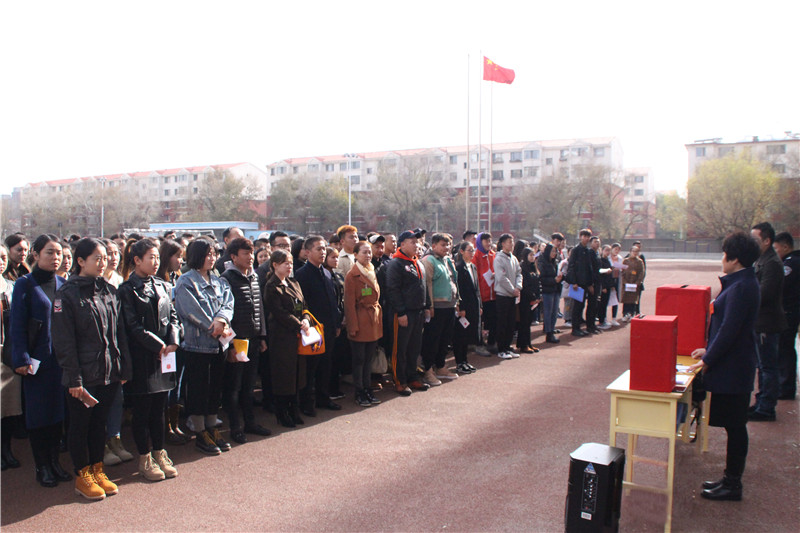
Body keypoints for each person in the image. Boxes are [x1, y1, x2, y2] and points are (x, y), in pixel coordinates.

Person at [53, 237, 131, 500]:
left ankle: (98, 468)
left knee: (101, 424)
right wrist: (74, 378)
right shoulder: (67, 294)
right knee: (80, 426)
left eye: (105, 258)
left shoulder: (109, 291)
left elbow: (118, 334)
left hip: (108, 371)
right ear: (80, 261)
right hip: (82, 376)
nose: (103, 263)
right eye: (96, 258)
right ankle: (82, 474)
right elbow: (64, 341)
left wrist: (123, 368)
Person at [688, 231, 761, 501]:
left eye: (724, 254)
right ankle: (730, 479)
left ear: (734, 259)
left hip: (734, 367)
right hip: (733, 364)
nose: (722, 258)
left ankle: (733, 483)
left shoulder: (742, 287)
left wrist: (709, 359)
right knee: (734, 425)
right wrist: (709, 351)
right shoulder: (741, 283)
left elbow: (729, 331)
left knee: (735, 425)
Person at [118, 239, 181, 481]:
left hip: (164, 357)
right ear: (136, 260)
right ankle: (144, 457)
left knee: (159, 409)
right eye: (150, 258)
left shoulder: (163, 285)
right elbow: (132, 326)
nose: (155, 262)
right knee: (142, 411)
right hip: (142, 357)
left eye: (157, 257)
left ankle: (159, 452)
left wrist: (174, 340)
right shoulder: (126, 290)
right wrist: (160, 345)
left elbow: (173, 316)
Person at [10, 235, 70, 488]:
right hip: (36, 361)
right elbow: (17, 325)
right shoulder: (25, 284)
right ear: (35, 254)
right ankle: (42, 465)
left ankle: (55, 462)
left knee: (58, 415)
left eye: (58, 253)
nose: (55, 258)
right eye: (49, 252)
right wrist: (21, 358)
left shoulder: (63, 283)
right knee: (38, 416)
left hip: (62, 361)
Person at [174, 238, 234, 455]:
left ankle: (212, 426)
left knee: (215, 387)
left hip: (219, 345)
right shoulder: (186, 281)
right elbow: (189, 310)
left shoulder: (219, 280)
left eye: (214, 254)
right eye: (208, 254)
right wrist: (214, 325)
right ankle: (199, 431)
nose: (212, 258)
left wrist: (223, 320)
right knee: (198, 388)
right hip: (197, 345)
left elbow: (228, 302)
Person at [219, 238, 271, 443]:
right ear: (233, 256)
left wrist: (262, 336)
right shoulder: (226, 278)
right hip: (237, 340)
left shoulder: (255, 277)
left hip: (254, 338)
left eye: (252, 253)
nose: (250, 257)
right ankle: (235, 426)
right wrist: (230, 345)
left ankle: (250, 422)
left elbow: (260, 308)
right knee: (234, 386)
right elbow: (224, 314)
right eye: (245, 254)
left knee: (249, 385)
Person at [262, 250, 311, 428]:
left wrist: (306, 319)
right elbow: (279, 313)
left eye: (290, 263)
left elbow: (304, 305)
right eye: (285, 263)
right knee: (284, 375)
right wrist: (298, 324)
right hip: (282, 337)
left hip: (298, 335)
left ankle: (294, 409)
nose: (289, 266)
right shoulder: (271, 286)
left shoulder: (293, 282)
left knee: (298, 373)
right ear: (275, 265)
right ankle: (282, 412)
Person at [294, 236, 342, 415]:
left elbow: (333, 301)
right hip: (312, 329)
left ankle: (323, 397)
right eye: (318, 249)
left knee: (326, 365)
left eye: (324, 249)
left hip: (328, 327)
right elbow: (301, 304)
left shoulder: (328, 273)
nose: (323, 252)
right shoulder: (301, 274)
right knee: (310, 367)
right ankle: (306, 402)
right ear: (307, 252)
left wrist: (336, 323)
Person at [748, 222, 787, 422]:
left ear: (766, 240)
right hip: (762, 322)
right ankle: (761, 402)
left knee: (767, 367)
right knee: (763, 367)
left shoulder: (771, 262)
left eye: (755, 240)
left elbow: (764, 294)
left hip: (767, 323)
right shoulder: (762, 259)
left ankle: (766, 407)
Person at [101, 238, 133, 466]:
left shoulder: (122, 282)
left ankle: (115, 439)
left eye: (115, 253)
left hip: (117, 347)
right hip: (96, 352)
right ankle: (101, 443)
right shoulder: (88, 284)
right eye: (107, 254)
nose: (113, 258)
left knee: (116, 398)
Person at [385, 230, 429, 395]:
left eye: (417, 242)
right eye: (412, 242)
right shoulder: (396, 264)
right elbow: (392, 290)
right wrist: (401, 312)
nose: (416, 244)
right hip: (403, 313)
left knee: (413, 348)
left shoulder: (417, 262)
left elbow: (424, 287)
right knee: (400, 349)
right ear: (402, 244)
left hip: (418, 312)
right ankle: (400, 380)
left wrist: (427, 306)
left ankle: (412, 377)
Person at [344, 241, 383, 407]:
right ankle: (359, 391)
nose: (368, 255)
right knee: (359, 359)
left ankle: (367, 388)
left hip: (372, 319)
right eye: (364, 253)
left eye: (369, 252)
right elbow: (349, 304)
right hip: (360, 320)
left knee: (368, 358)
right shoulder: (352, 276)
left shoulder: (372, 271)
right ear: (355, 255)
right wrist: (352, 326)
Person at [421, 233, 461, 385]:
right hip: (436, 307)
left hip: (449, 306)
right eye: (443, 245)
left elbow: (453, 281)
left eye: (448, 244)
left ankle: (441, 366)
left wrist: (457, 301)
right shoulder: (428, 260)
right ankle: (428, 370)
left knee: (445, 339)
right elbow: (428, 284)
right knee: (432, 340)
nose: (447, 247)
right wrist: (429, 305)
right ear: (434, 246)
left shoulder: (447, 260)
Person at [1, 245, 23, 471]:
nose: (1, 261)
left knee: (9, 407)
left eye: (3, 257)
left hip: (8, 352)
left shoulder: (12, 287)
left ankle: (6, 449)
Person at [774, 232, 799, 400]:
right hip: (789, 311)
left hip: (788, 312)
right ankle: (785, 385)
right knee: (784, 349)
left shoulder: (791, 264)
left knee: (784, 349)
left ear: (785, 247)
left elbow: (781, 285)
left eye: (776, 249)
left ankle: (786, 386)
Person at [494, 234, 523, 359]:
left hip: (512, 295)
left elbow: (519, 273)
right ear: (502, 244)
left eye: (512, 242)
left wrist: (518, 287)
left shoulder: (514, 258)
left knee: (511, 323)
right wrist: (512, 290)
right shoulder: (498, 259)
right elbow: (501, 278)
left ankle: (507, 347)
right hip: (503, 295)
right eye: (509, 242)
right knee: (502, 323)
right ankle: (501, 349)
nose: (512, 244)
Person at [454, 242, 481, 372]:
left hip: (473, 306)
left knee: (468, 335)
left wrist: (479, 305)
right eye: (469, 250)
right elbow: (459, 290)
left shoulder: (473, 267)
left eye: (473, 250)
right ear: (462, 252)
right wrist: (461, 307)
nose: (472, 253)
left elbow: (477, 289)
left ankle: (465, 361)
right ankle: (459, 362)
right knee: (460, 336)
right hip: (464, 307)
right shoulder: (458, 268)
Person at [473, 232, 497, 351]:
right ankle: (479, 344)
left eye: (490, 241)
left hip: (494, 294)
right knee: (481, 322)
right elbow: (474, 276)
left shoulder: (493, 255)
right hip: (482, 295)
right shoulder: (475, 256)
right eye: (486, 241)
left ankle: (491, 343)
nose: (489, 244)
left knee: (493, 320)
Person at [538, 243, 562, 344]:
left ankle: (552, 330)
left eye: (555, 251)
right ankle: (548, 332)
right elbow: (541, 278)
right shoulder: (542, 262)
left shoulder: (555, 262)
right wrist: (554, 280)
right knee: (548, 312)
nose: (554, 253)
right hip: (547, 290)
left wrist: (561, 277)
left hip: (555, 289)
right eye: (552, 251)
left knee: (554, 312)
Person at [518, 247, 541, 353]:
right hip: (525, 300)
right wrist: (532, 297)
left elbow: (537, 282)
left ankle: (529, 343)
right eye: (530, 255)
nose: (532, 257)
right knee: (524, 323)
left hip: (534, 300)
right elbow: (525, 285)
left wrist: (538, 296)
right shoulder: (522, 267)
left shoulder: (534, 267)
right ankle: (523, 345)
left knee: (529, 323)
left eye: (533, 255)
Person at [621, 245, 645, 320]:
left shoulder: (639, 262)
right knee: (626, 299)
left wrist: (637, 282)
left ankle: (632, 313)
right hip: (626, 283)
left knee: (633, 299)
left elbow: (642, 273)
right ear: (630, 252)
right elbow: (622, 272)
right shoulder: (626, 261)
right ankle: (625, 313)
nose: (635, 253)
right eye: (633, 251)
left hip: (635, 284)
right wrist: (625, 282)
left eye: (636, 252)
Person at [596, 244, 615, 329]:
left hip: (608, 284)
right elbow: (599, 272)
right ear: (602, 250)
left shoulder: (608, 260)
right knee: (602, 304)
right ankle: (601, 321)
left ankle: (603, 319)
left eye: (609, 250)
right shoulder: (600, 260)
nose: (608, 252)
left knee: (605, 303)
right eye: (606, 250)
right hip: (603, 285)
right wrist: (603, 287)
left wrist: (611, 285)